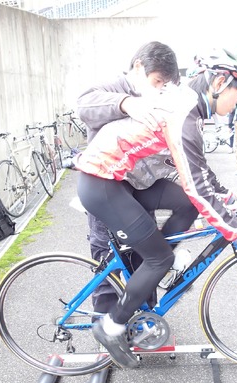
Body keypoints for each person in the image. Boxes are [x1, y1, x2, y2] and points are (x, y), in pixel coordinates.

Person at [75, 48, 237, 367]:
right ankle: (110, 327)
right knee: (154, 258)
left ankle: (161, 272)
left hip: (126, 183)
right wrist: (236, 232)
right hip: (101, 183)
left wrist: (229, 199)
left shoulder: (191, 109)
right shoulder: (183, 110)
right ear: (218, 82)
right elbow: (196, 183)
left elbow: (199, 172)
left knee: (165, 236)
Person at [76, 41, 198, 317]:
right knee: (111, 262)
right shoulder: (116, 86)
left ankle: (143, 321)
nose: (157, 89)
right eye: (156, 81)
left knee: (148, 254)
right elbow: (84, 105)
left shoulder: (159, 97)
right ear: (139, 67)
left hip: (139, 188)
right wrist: (127, 103)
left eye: (163, 85)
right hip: (107, 187)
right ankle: (108, 334)